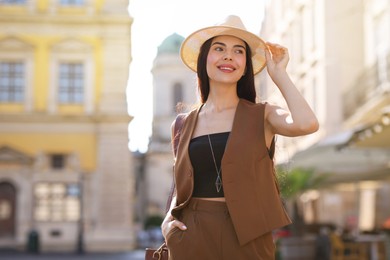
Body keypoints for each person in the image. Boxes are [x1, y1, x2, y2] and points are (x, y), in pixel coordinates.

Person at [161, 15, 319, 260]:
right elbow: (179, 183)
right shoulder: (182, 124)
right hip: (191, 233)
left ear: (245, 64)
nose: (228, 56)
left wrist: (279, 74)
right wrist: (167, 221)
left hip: (248, 236)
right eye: (219, 48)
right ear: (204, 59)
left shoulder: (263, 114)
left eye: (238, 51)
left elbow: (306, 123)